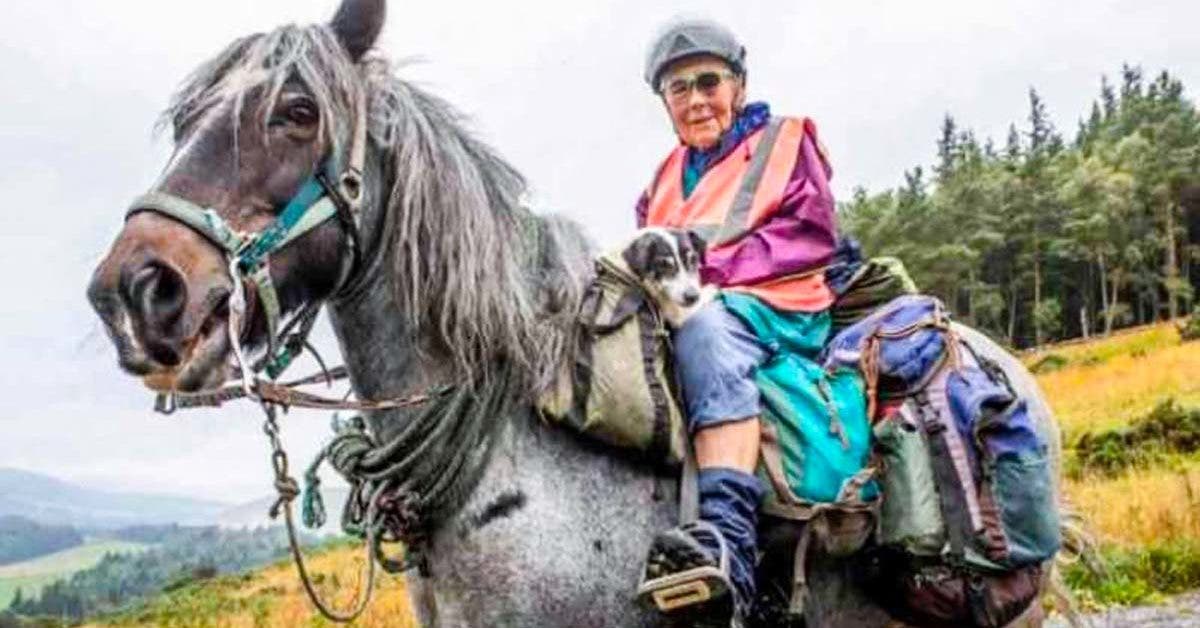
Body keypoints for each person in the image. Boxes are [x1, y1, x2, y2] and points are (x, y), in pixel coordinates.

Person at [635, 18, 840, 626]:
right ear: (666, 103)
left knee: (707, 330)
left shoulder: (785, 140)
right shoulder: (663, 178)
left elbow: (811, 233)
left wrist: (713, 271)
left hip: (779, 303)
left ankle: (728, 541)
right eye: (679, 89)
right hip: (697, 300)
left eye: (709, 82)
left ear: (738, 85)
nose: (696, 100)